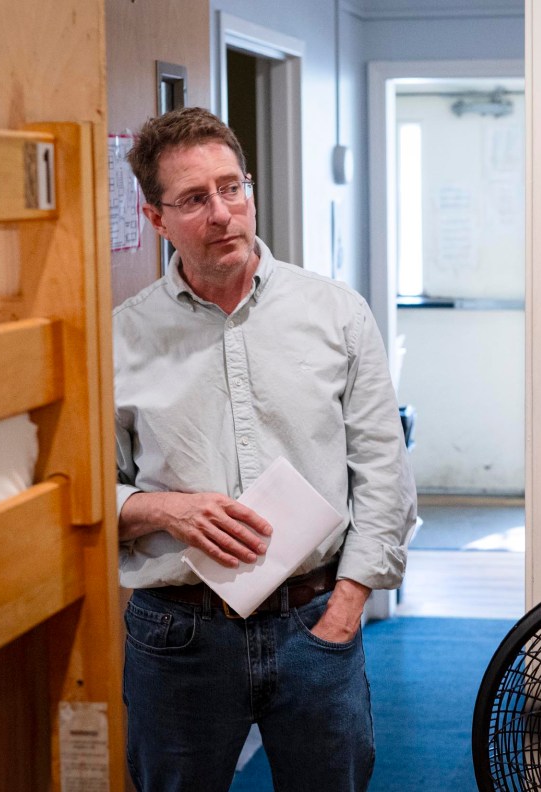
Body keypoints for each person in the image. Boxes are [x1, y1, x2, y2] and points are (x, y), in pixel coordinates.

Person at [113, 106, 417, 792]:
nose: (221, 213)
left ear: (249, 187)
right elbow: (89, 494)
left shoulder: (336, 312)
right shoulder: (120, 339)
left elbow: (382, 469)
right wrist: (166, 509)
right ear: (156, 219)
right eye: (194, 199)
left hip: (315, 620)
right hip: (179, 637)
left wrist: (349, 603)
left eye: (231, 187)